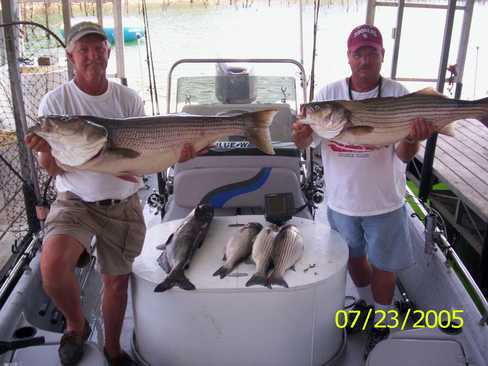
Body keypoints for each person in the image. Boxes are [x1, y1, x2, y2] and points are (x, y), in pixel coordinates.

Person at [24, 22, 199, 366]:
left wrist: (177, 154)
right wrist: (45, 152)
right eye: (83, 50)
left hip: (121, 199)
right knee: (52, 268)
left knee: (116, 283)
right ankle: (76, 325)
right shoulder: (56, 102)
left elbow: (143, 160)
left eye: (98, 48)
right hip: (75, 198)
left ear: (107, 51)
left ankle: (113, 349)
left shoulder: (128, 98)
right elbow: (55, 168)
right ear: (71, 56)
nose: (91, 56)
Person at [293, 24, 434, 359]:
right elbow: (306, 142)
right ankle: (366, 304)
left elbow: (402, 155)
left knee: (385, 266)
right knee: (354, 259)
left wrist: (413, 137)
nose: (365, 59)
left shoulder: (399, 94)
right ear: (349, 57)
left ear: (382, 55)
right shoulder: (330, 94)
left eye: (372, 52)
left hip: (385, 202)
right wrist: (301, 138)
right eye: (359, 52)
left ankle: (383, 322)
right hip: (342, 203)